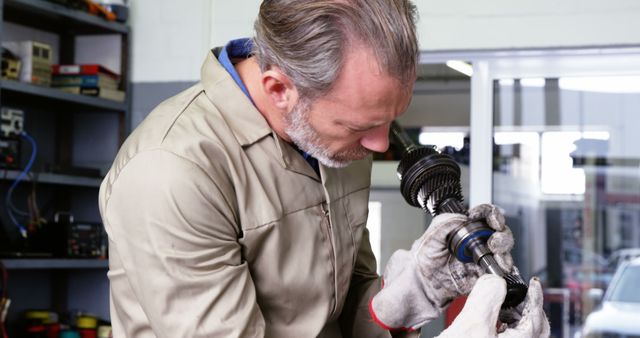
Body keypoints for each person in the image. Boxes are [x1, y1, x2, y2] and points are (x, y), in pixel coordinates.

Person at [98, 0, 549, 337]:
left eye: (389, 119)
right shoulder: (172, 173)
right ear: (279, 89)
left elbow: (345, 306)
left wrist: (416, 288)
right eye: (362, 125)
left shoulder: (333, 142)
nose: (380, 143)